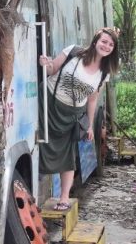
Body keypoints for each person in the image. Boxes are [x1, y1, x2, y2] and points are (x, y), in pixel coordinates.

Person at [38, 27, 120, 211]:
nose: (106, 46)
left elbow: (92, 99)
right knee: (39, 143)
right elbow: (52, 71)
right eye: (104, 41)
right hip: (48, 106)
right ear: (95, 41)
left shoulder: (104, 73)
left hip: (72, 116)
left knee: (68, 157)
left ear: (113, 49)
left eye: (110, 44)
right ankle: (35, 186)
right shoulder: (73, 52)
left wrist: (90, 125)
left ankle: (64, 197)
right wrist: (46, 64)